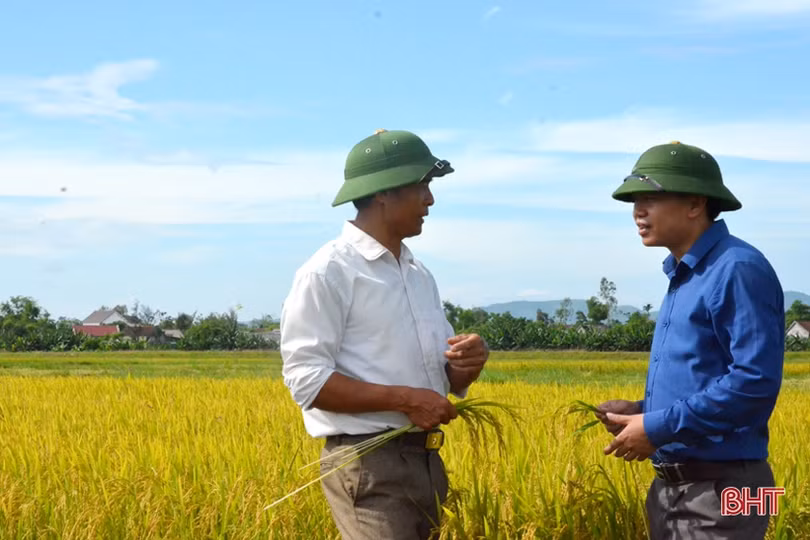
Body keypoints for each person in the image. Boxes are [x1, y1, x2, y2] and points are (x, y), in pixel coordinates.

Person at [279, 129, 489, 539]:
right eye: (422, 186)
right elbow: (306, 380)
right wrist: (407, 401)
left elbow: (442, 380)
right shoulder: (329, 272)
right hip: (369, 465)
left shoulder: (417, 274)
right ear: (383, 193)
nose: (430, 199)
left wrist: (468, 363)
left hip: (425, 461)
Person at [597, 141, 785, 539]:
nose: (638, 212)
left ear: (696, 204)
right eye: (634, 201)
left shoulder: (737, 268)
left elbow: (754, 384)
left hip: (726, 490)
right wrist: (642, 411)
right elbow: (704, 377)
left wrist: (658, 426)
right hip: (677, 488)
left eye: (650, 198)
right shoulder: (685, 274)